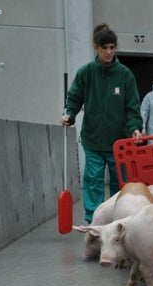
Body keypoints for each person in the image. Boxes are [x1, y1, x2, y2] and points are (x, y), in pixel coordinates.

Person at [60, 23, 143, 224]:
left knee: (119, 183)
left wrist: (134, 127)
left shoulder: (125, 75)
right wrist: (69, 115)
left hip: (119, 141)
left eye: (112, 47)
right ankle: (94, 222)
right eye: (104, 48)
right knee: (94, 181)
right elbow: (74, 98)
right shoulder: (86, 73)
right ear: (96, 48)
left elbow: (132, 107)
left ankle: (117, 221)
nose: (108, 52)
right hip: (93, 140)